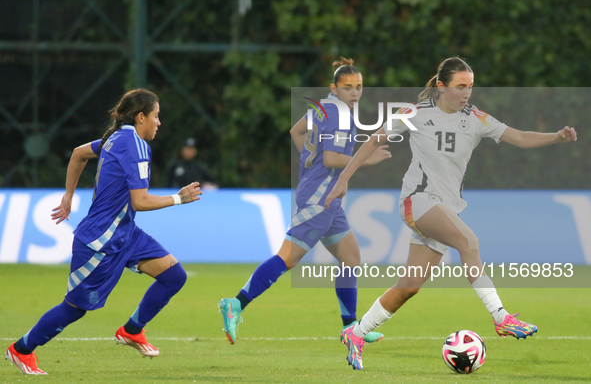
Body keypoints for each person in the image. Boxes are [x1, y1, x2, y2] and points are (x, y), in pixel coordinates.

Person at [325, 57, 578, 370]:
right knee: (468, 241)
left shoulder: (476, 118)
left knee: (409, 287)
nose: (467, 93)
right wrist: (344, 178)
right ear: (441, 86)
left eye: (470, 86)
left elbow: (521, 137)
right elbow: (374, 139)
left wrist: (556, 136)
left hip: (443, 207)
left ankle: (357, 333)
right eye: (460, 86)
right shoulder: (415, 113)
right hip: (417, 200)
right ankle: (502, 318)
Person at [5, 89, 202, 375]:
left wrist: (68, 196)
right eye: (156, 116)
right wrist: (178, 198)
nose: (159, 123)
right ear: (141, 117)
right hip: (101, 240)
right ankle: (21, 350)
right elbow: (140, 200)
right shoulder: (135, 144)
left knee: (173, 276)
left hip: (126, 233)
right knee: (74, 308)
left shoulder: (116, 138)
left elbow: (78, 154)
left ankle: (132, 330)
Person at [218, 57, 392, 345]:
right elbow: (332, 158)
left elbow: (295, 132)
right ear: (334, 88)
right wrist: (366, 160)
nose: (355, 93)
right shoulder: (341, 115)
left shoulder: (323, 106)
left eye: (359, 87)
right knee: (288, 258)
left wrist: (311, 166)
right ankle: (235, 303)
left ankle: (350, 328)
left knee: (350, 258)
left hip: (326, 195)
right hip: (320, 197)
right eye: (348, 87)